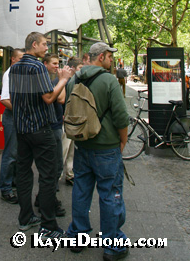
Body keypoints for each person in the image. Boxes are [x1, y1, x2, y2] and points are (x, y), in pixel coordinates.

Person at [67, 42, 129, 261]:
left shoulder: (74, 79)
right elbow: (122, 117)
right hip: (106, 149)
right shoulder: (109, 80)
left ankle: (78, 235)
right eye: (110, 57)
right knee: (110, 194)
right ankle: (112, 245)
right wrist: (123, 140)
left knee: (81, 190)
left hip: (82, 146)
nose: (112, 61)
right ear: (101, 57)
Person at [9, 32, 72, 239]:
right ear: (34, 45)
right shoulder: (37, 67)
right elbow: (48, 98)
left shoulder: (15, 67)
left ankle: (25, 217)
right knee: (48, 175)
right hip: (40, 129)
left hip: (22, 129)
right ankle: (48, 226)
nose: (47, 47)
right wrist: (62, 80)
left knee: (24, 173)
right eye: (44, 44)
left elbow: (20, 98)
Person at [40, 53, 65, 216]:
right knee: (53, 166)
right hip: (51, 126)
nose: (57, 66)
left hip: (55, 124)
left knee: (55, 165)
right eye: (54, 63)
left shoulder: (52, 79)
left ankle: (44, 198)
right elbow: (61, 98)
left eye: (58, 63)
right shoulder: (47, 80)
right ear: (45, 64)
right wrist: (62, 80)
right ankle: (48, 201)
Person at [0, 48, 24, 204]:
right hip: (12, 117)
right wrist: (22, 110)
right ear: (13, 59)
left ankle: (13, 181)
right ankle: (6, 188)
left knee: (17, 153)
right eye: (20, 58)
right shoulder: (10, 74)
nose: (22, 61)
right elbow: (4, 99)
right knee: (10, 154)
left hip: (18, 117)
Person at [62, 57, 83, 187]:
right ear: (73, 68)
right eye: (80, 68)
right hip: (66, 121)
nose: (82, 71)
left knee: (70, 150)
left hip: (71, 120)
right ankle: (57, 177)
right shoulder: (67, 81)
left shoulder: (73, 81)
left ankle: (70, 173)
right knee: (64, 150)